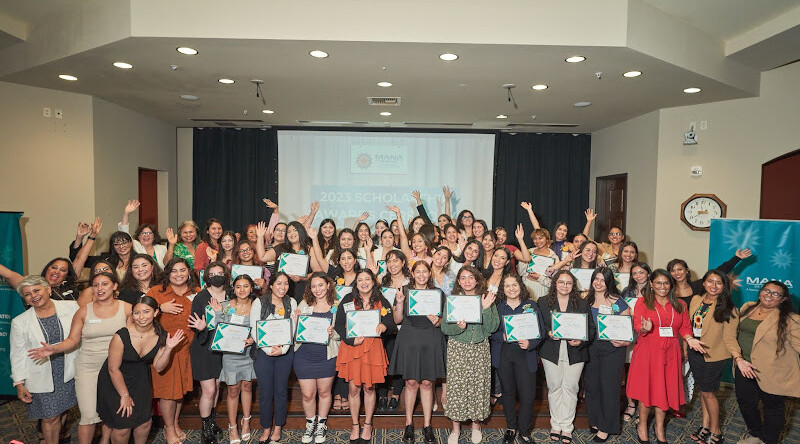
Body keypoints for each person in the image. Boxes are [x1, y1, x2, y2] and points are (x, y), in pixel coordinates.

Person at [28, 272, 132, 444]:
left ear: (115, 286)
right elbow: (73, 340)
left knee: (113, 412)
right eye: (96, 285)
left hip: (118, 368)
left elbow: (134, 339)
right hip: (88, 368)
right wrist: (54, 349)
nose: (100, 289)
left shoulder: (127, 308)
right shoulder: (83, 312)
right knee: (89, 415)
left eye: (105, 284)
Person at [626, 269, 705, 444]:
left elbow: (684, 327)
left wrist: (690, 339)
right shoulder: (642, 302)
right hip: (648, 352)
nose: (662, 286)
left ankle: (659, 426)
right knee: (646, 391)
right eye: (658, 283)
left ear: (671, 285)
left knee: (665, 391)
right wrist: (644, 329)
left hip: (670, 353)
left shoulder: (680, 305)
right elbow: (638, 325)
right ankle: (643, 425)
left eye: (666, 283)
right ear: (652, 285)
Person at [95, 296, 185, 444]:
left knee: (144, 422)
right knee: (123, 427)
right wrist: (124, 395)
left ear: (156, 312)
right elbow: (113, 369)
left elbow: (159, 367)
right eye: (136, 313)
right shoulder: (121, 335)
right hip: (115, 380)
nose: (141, 317)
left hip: (140, 379)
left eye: (146, 312)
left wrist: (168, 349)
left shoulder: (160, 334)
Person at [11, 275, 80, 444]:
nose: (33, 296)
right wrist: (19, 383)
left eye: (36, 290)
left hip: (69, 369)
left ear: (48, 289)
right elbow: (17, 354)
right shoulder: (20, 322)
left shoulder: (72, 307)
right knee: (50, 417)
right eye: (27, 294)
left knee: (63, 411)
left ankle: (59, 438)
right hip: (40, 374)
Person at [732, 281, 800, 444]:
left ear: (783, 299)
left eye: (775, 294)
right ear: (760, 291)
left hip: (773, 371)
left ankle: (769, 440)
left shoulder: (791, 319)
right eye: (766, 291)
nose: (769, 295)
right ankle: (756, 434)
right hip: (744, 366)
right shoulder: (748, 307)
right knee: (746, 403)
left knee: (773, 408)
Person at [334, 269, 397, 444]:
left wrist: (384, 327)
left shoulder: (381, 301)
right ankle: (355, 424)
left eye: (367, 279)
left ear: (373, 281)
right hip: (353, 348)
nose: (363, 282)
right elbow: (339, 324)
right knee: (354, 389)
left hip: (373, 349)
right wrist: (350, 340)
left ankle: (368, 424)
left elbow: (391, 324)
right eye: (360, 279)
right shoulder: (347, 300)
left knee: (370, 388)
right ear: (356, 282)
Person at [441, 266, 499, 444]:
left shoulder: (486, 299)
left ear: (477, 280)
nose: (467, 281)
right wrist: (458, 327)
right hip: (458, 348)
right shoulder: (452, 301)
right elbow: (445, 328)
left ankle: (476, 425)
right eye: (463, 278)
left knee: (477, 386)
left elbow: (492, 328)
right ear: (458, 281)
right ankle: (456, 428)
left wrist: (486, 308)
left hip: (479, 348)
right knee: (457, 388)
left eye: (470, 277)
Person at [390, 261, 446, 444]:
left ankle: (428, 425)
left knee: (428, 383)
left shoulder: (438, 294)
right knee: (411, 382)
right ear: (412, 274)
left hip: (430, 338)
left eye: (425, 271)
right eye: (418, 272)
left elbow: (442, 323)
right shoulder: (403, 292)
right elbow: (397, 319)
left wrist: (437, 320)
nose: (421, 275)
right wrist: (399, 303)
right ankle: (409, 424)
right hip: (409, 338)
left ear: (430, 273)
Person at [538, 270, 594, 444]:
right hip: (551, 350)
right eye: (561, 282)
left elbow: (590, 329)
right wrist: (547, 333)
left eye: (568, 283)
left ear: (573, 285)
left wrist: (581, 340)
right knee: (554, 387)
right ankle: (556, 424)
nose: (564, 286)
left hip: (575, 351)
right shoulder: (543, 302)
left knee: (570, 387)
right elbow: (538, 326)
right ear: (555, 283)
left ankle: (567, 426)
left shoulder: (583, 303)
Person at [147, 257, 199, 444]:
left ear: (189, 272)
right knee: (168, 392)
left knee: (180, 391)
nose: (178, 274)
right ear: (167, 273)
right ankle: (168, 429)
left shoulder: (196, 292)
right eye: (174, 271)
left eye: (182, 270)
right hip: (165, 350)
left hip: (187, 350)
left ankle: (175, 423)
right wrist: (160, 307)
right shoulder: (156, 291)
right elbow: (140, 312)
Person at [489, 274, 546, 444]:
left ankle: (524, 430)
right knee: (507, 394)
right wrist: (503, 336)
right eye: (507, 286)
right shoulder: (498, 308)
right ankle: (511, 427)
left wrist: (531, 343)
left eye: (514, 285)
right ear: (503, 289)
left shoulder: (532, 306)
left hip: (526, 356)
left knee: (528, 396)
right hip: (504, 356)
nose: (511, 289)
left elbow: (541, 331)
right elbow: (491, 332)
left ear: (520, 286)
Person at [687, 270, 740, 444]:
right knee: (703, 390)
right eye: (710, 281)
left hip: (714, 356)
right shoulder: (696, 300)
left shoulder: (729, 308)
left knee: (708, 392)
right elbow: (688, 327)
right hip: (695, 352)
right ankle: (705, 426)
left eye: (719, 282)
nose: (714, 286)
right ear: (704, 283)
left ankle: (716, 432)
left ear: (724, 286)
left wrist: (737, 357)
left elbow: (730, 337)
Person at [209, 275, 259, 444]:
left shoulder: (257, 306)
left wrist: (254, 339)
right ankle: (232, 426)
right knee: (232, 390)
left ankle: (246, 421)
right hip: (230, 355)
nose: (242, 290)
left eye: (246, 286)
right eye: (238, 286)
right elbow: (219, 330)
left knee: (247, 386)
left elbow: (262, 327)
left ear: (251, 288)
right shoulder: (225, 306)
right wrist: (217, 313)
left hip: (249, 354)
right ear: (234, 288)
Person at [250, 272, 298, 443]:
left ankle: (278, 427)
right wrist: (267, 348)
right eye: (279, 283)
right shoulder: (259, 302)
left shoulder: (291, 302)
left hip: (284, 354)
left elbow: (293, 327)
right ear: (271, 285)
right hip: (264, 353)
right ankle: (266, 427)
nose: (282, 287)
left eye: (285, 284)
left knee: (280, 391)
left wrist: (283, 349)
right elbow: (254, 328)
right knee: (265, 393)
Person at [584, 268, 630, 442]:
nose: (598, 283)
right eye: (596, 279)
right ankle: (595, 420)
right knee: (592, 386)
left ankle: (606, 426)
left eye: (603, 280)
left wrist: (626, 341)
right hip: (589, 348)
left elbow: (628, 326)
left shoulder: (617, 301)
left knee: (609, 388)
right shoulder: (585, 300)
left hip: (612, 349)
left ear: (609, 282)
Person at [294, 272, 341, 444]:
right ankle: (310, 424)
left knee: (324, 392)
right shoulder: (304, 304)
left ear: (328, 285)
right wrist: (296, 320)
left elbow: (343, 331)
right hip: (304, 355)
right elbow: (294, 330)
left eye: (320, 285)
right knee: (307, 394)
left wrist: (333, 332)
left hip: (326, 356)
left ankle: (321, 424)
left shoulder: (337, 304)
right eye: (313, 286)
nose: (317, 289)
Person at [187, 262, 230, 444]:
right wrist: (201, 327)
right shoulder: (200, 297)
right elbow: (195, 323)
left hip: (222, 347)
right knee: (209, 390)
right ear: (206, 277)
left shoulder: (231, 295)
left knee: (217, 387)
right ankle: (206, 428)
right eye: (212, 274)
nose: (217, 276)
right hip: (204, 348)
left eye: (220, 272)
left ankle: (212, 422)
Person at [256, 220, 313, 301]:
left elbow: (318, 271)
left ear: (301, 232)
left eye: (295, 230)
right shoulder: (281, 248)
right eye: (289, 231)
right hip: (281, 291)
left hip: (303, 291)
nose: (292, 233)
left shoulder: (309, 249)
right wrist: (260, 237)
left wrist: (302, 278)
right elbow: (262, 257)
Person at [117, 199, 168, 267]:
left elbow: (168, 266)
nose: (146, 236)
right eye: (143, 233)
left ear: (154, 236)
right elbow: (124, 234)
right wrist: (126, 213)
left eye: (149, 233)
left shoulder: (162, 248)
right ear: (138, 236)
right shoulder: (135, 246)